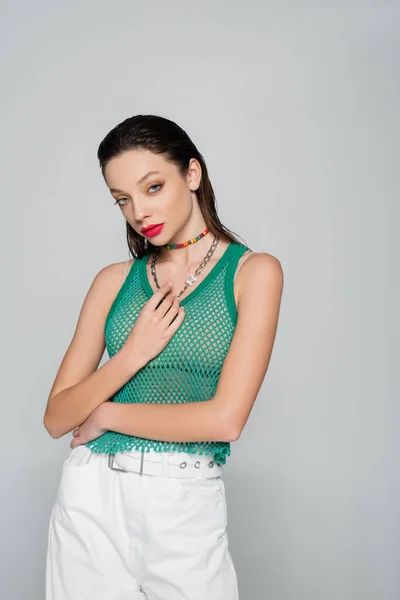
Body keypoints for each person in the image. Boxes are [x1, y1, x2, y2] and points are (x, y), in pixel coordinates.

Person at [43, 114, 284, 600]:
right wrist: (131, 355)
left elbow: (224, 421)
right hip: (91, 494)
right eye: (123, 199)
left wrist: (107, 413)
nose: (138, 211)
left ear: (191, 175)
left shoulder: (253, 273)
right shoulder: (113, 281)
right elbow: (56, 418)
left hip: (183, 499)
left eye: (152, 187)